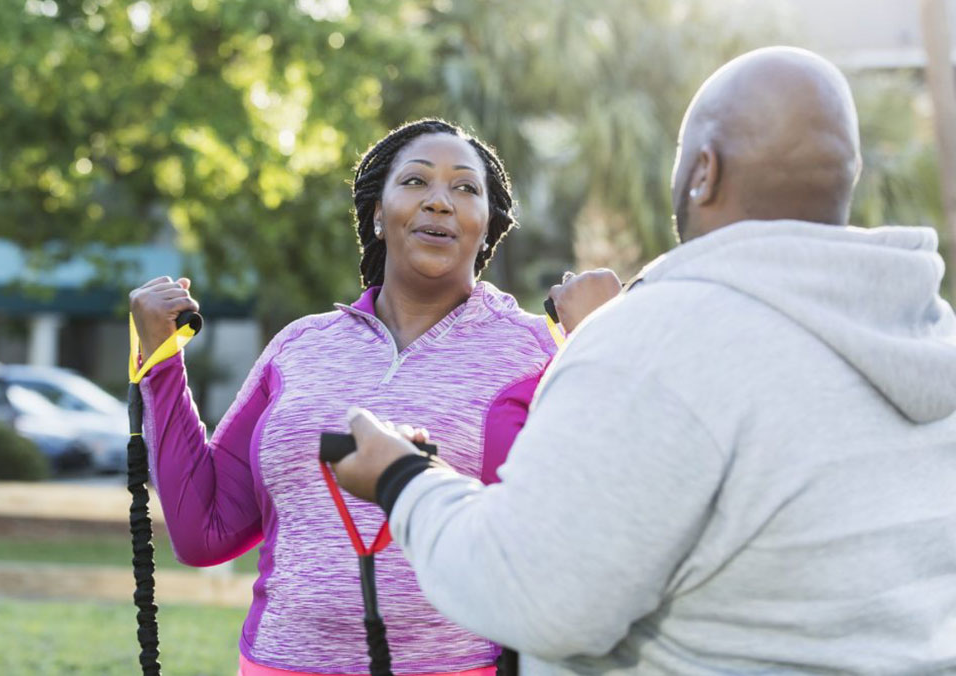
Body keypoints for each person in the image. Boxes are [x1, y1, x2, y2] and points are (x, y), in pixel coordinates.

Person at [330, 47, 956, 673]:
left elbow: (532, 592)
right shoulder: (927, 338)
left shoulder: (659, 340)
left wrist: (402, 478)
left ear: (703, 173)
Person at [129, 119, 566, 675]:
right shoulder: (298, 348)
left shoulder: (539, 351)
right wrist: (161, 362)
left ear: (488, 225)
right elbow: (204, 531)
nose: (439, 202)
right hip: (278, 664)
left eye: (464, 188)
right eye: (415, 182)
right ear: (378, 214)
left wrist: (602, 331)